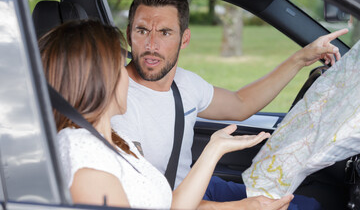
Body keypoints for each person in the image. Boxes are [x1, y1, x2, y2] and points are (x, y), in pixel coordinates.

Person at [110, 0, 349, 209]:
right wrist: (239, 207)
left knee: (310, 205)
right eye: (142, 30)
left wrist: (300, 59)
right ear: (130, 33)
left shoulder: (185, 83)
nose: (152, 44)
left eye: (165, 32)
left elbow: (240, 104)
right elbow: (148, 203)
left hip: (197, 186)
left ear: (184, 39)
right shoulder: (116, 103)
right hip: (173, 201)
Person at [39, 19, 291, 209]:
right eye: (120, 68)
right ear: (100, 81)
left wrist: (214, 150)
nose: (128, 77)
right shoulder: (87, 164)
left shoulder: (112, 139)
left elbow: (171, 206)